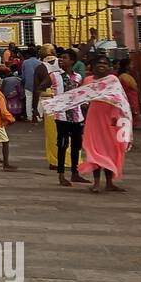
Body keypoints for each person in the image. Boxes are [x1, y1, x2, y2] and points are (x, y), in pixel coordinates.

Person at [45, 53, 131, 192]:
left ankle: (109, 182)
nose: (102, 65)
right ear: (93, 66)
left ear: (108, 66)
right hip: (93, 120)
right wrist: (58, 104)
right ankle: (96, 183)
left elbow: (121, 101)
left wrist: (118, 118)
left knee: (109, 151)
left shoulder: (112, 80)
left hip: (111, 120)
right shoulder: (88, 80)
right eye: (99, 63)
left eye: (104, 63)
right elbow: (79, 98)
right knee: (95, 151)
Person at [50, 49, 86, 186]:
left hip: (76, 115)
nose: (61, 60)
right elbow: (40, 86)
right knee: (63, 144)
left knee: (77, 144)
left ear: (72, 61)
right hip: (62, 115)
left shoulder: (77, 77)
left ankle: (75, 172)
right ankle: (61, 174)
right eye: (60, 58)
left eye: (64, 58)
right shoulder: (54, 75)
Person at [20, 47, 40, 124]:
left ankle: (29, 116)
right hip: (38, 84)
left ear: (28, 54)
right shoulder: (39, 62)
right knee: (38, 100)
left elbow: (23, 75)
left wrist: (23, 82)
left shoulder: (25, 62)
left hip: (28, 84)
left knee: (28, 100)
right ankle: (38, 116)